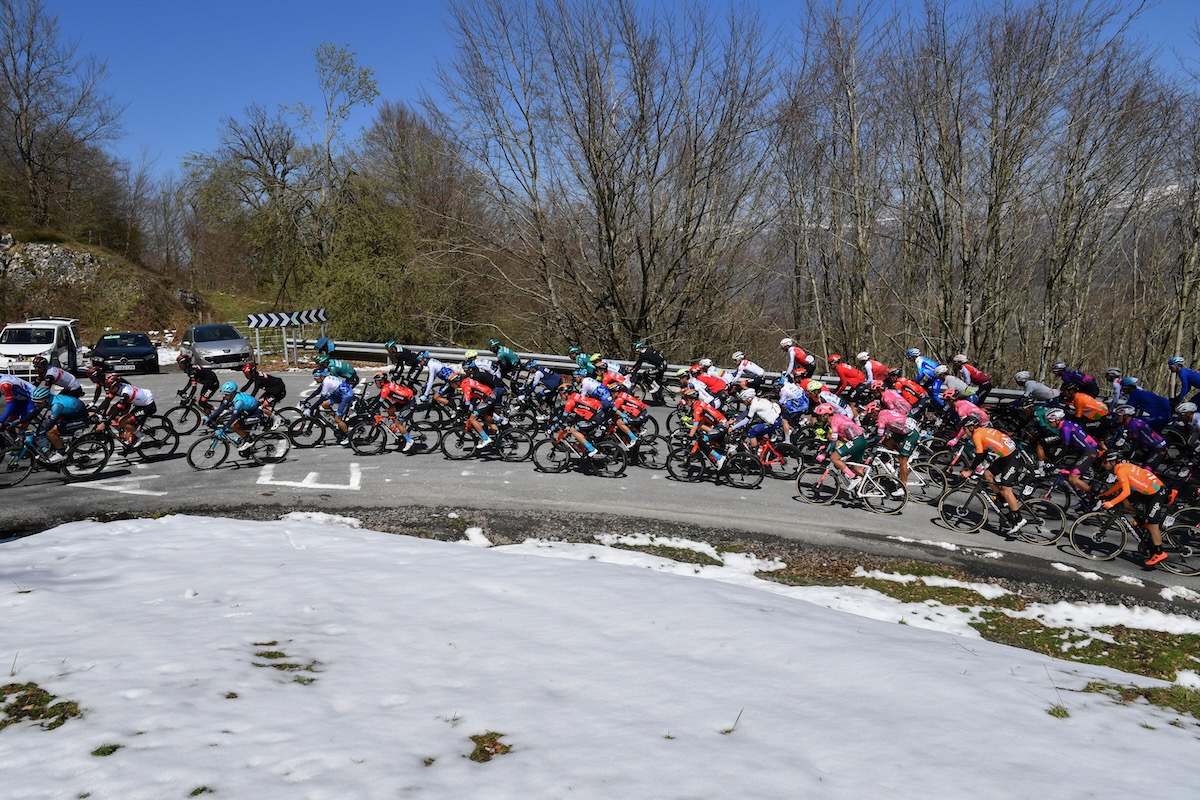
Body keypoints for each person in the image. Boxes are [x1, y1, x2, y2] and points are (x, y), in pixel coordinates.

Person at [1094, 450, 1170, 567]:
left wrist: (1111, 503)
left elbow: (1126, 491)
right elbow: (1121, 484)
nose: (1103, 465)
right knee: (1127, 502)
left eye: (1105, 462)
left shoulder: (1120, 470)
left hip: (1157, 493)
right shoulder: (1122, 467)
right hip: (1149, 490)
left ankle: (1159, 553)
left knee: (1152, 522)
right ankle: (1141, 521)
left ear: (1113, 462)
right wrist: (1106, 494)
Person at [956, 415, 1027, 535]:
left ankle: (1019, 519)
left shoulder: (977, 435)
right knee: (987, 475)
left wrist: (970, 471)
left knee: (1006, 489)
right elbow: (983, 454)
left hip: (1011, 459)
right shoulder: (982, 431)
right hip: (1006, 456)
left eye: (965, 429)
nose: (964, 432)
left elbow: (979, 456)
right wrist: (972, 468)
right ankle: (1001, 499)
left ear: (971, 428)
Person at [812, 402, 870, 489]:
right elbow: (836, 438)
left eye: (820, 416)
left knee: (834, 457)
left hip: (857, 440)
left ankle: (853, 478)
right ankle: (866, 485)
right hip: (860, 439)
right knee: (855, 467)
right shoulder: (836, 417)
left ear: (826, 415)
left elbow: (833, 440)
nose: (819, 418)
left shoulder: (834, 422)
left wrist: (825, 454)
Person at [867, 401, 919, 493]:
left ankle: (904, 488)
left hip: (910, 433)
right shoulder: (883, 412)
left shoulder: (881, 418)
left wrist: (867, 441)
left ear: (875, 412)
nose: (870, 417)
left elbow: (879, 436)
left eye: (871, 415)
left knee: (903, 460)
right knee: (887, 443)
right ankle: (899, 457)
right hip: (902, 430)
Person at [31, 386, 88, 463]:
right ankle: (56, 445)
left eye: (38, 403)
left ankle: (61, 453)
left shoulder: (56, 405)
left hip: (79, 417)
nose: (35, 404)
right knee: (45, 426)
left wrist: (41, 432)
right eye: (34, 402)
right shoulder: (48, 399)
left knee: (50, 432)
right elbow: (34, 413)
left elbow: (52, 422)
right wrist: (18, 422)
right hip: (70, 413)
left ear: (46, 400)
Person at [207, 381, 266, 454]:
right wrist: (209, 419)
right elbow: (220, 409)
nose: (224, 396)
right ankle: (244, 439)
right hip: (247, 412)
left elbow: (233, 417)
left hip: (255, 414)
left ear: (232, 394)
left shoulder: (239, 402)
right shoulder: (229, 397)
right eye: (223, 394)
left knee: (234, 425)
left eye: (226, 394)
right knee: (233, 426)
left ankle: (249, 440)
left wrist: (222, 429)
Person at [101, 374, 156, 448]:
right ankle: (129, 431)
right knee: (116, 415)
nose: (110, 390)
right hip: (142, 401)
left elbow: (118, 409)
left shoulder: (125, 394)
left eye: (111, 388)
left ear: (115, 386)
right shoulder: (121, 385)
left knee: (123, 421)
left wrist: (107, 421)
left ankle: (140, 436)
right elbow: (107, 401)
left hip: (148, 406)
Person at [303, 368, 354, 444]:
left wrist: (311, 409)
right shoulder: (325, 379)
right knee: (325, 404)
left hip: (346, 397)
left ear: (322, 376)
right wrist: (307, 399)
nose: (315, 379)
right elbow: (317, 391)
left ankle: (348, 436)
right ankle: (336, 418)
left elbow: (321, 398)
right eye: (314, 377)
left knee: (338, 419)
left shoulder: (327, 383)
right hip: (340, 394)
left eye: (316, 377)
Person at [1109, 405, 1167, 472]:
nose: (1117, 418)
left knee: (1146, 471)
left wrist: (1130, 458)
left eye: (1118, 416)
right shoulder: (1132, 422)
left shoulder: (1133, 424)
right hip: (1150, 448)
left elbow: (1135, 444)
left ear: (1125, 416)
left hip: (1158, 448)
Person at [372, 372, 417, 452]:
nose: (375, 384)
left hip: (409, 403)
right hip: (404, 401)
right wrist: (370, 406)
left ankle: (409, 441)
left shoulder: (386, 389)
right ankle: (397, 426)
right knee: (390, 410)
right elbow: (378, 397)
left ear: (381, 382)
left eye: (376, 382)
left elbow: (380, 402)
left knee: (398, 423)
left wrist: (373, 410)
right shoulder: (387, 384)